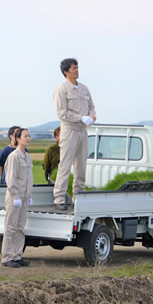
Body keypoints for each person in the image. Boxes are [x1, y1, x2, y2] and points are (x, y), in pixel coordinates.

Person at [53, 58, 96, 210]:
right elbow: (62, 113)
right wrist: (79, 117)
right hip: (69, 129)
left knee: (81, 165)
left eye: (77, 67)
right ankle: (59, 198)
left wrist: (91, 117)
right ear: (66, 72)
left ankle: (79, 196)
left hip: (83, 130)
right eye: (74, 68)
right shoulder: (62, 90)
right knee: (65, 164)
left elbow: (92, 106)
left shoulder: (84, 89)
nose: (77, 70)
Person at [1, 128, 33, 268]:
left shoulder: (28, 156)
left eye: (29, 136)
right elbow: (11, 178)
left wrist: (29, 195)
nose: (28, 138)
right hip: (15, 197)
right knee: (10, 227)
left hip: (24, 197)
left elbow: (29, 179)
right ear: (17, 139)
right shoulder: (14, 156)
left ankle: (17, 255)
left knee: (20, 228)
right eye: (25, 136)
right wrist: (15, 196)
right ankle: (7, 257)